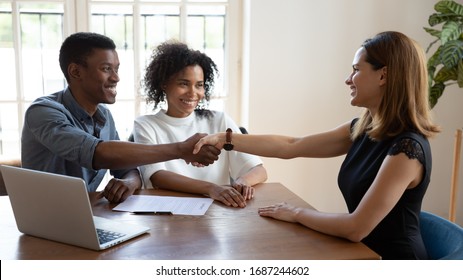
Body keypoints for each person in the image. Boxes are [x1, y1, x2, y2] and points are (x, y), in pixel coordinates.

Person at [193, 31, 440, 259]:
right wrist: (225, 139)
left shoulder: (407, 150)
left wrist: (296, 213)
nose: (348, 79)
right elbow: (291, 146)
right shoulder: (362, 129)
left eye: (356, 69)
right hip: (360, 254)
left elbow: (356, 227)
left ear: (383, 75)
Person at [21, 32, 220, 204]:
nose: (116, 77)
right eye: (106, 69)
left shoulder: (105, 116)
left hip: (87, 215)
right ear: (75, 71)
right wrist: (181, 149)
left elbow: (126, 168)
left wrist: (130, 182)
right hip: (45, 220)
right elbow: (98, 154)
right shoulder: (43, 112)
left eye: (116, 69)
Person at [133, 41, 267, 208]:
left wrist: (243, 181)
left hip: (219, 211)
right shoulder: (146, 125)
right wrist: (211, 189)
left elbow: (259, 170)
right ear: (164, 84)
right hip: (168, 213)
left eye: (199, 85)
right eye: (183, 83)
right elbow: (158, 176)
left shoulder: (219, 120)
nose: (193, 93)